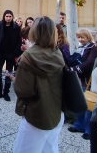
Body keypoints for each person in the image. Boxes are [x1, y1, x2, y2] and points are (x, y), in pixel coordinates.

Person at [12, 16, 65, 153]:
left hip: (36, 113)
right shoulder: (57, 52)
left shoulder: (28, 56)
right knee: (50, 148)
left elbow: (22, 89)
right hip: (56, 111)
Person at [67, 28, 97, 140]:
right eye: (79, 37)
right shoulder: (81, 47)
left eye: (82, 37)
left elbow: (90, 63)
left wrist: (75, 69)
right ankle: (79, 125)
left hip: (87, 79)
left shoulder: (93, 47)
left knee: (88, 104)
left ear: (88, 37)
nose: (80, 39)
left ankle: (88, 129)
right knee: (80, 103)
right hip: (80, 79)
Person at [0, 10, 21, 101]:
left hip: (10, 54)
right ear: (4, 17)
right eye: (6, 16)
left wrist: (15, 54)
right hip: (0, 53)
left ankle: (6, 93)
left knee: (9, 73)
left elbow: (18, 42)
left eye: (10, 16)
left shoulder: (16, 28)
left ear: (12, 17)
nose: (8, 18)